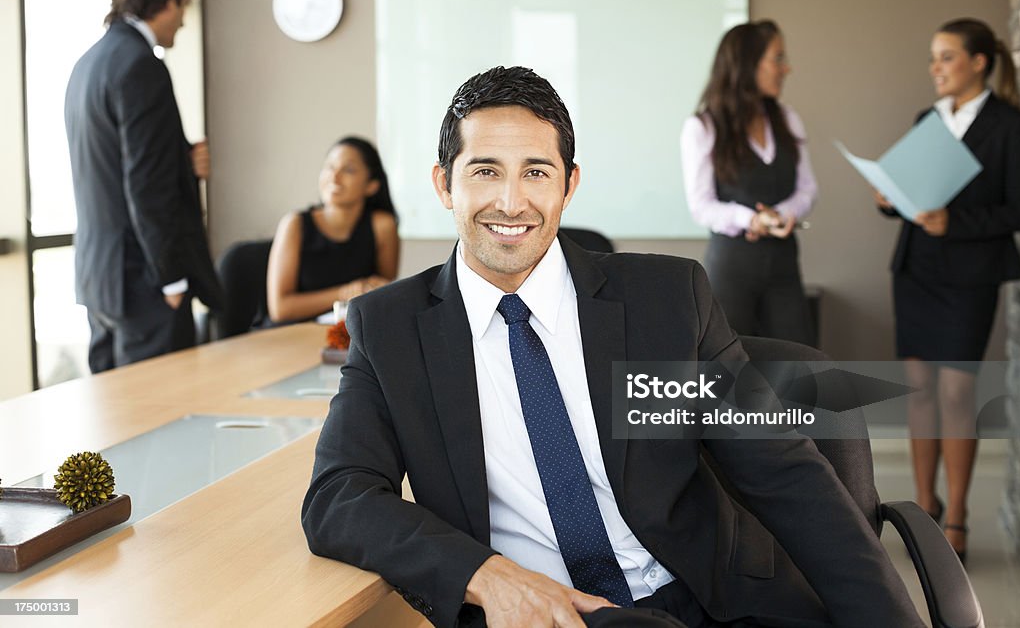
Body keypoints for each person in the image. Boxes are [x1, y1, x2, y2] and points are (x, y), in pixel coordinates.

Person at [302, 66, 922, 628]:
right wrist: (485, 575)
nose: (511, 202)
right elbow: (339, 496)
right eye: (485, 171)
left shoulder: (666, 299)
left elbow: (784, 473)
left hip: (713, 600)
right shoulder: (391, 328)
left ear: (569, 186)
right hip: (557, 613)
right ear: (445, 184)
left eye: (536, 173)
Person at [874, 18, 1020, 564]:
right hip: (916, 270)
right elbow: (912, 189)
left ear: (979, 62)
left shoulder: (1009, 125)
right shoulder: (927, 119)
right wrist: (890, 198)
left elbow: (1018, 206)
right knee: (919, 389)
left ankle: (957, 515)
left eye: (946, 57)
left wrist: (954, 224)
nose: (935, 68)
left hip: (970, 274)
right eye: (933, 58)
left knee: (959, 393)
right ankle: (925, 508)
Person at [65, 0, 222, 373]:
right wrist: (170, 279)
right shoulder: (141, 66)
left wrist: (184, 164)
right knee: (163, 419)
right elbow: (145, 185)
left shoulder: (87, 65)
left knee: (113, 418)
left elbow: (112, 169)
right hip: (144, 281)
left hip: (99, 279)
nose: (184, 21)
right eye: (184, 6)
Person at [681, 20, 817, 345]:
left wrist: (778, 215)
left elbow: (808, 188)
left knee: (797, 369)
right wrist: (751, 219)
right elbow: (701, 207)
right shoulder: (703, 128)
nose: (787, 69)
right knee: (728, 376)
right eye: (778, 59)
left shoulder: (788, 119)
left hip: (784, 267)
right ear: (747, 65)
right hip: (731, 270)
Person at [264, 136, 399, 324]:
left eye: (349, 170)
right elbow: (280, 309)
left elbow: (382, 294)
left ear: (371, 185)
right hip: (291, 335)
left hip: (349, 336)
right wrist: (344, 293)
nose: (334, 177)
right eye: (329, 167)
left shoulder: (383, 226)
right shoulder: (294, 224)